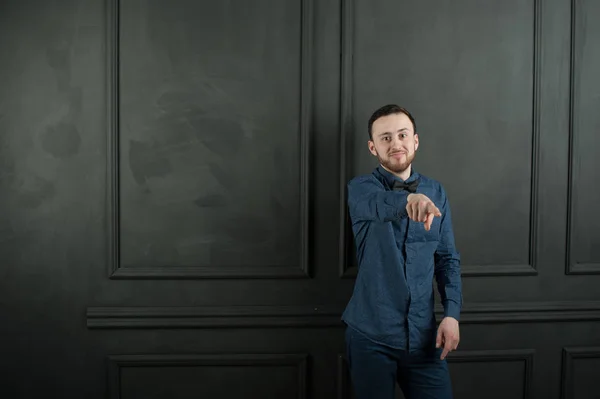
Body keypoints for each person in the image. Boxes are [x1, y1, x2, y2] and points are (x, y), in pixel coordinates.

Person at [341, 104, 463, 399]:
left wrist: (452, 314)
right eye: (385, 138)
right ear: (373, 147)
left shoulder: (437, 192)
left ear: (415, 141)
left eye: (402, 135)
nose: (395, 143)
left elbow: (447, 259)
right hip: (371, 338)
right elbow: (378, 205)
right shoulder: (360, 189)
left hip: (424, 340)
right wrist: (410, 202)